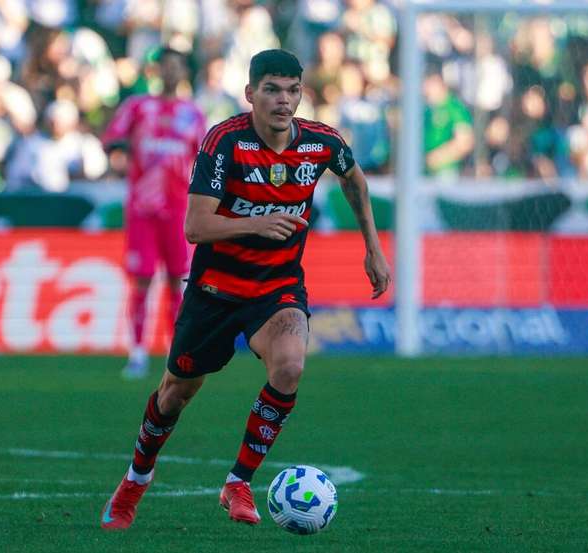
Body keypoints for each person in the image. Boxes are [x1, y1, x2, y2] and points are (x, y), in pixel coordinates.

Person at [99, 49, 391, 530]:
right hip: (215, 290)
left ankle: (238, 482)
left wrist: (373, 249)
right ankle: (136, 479)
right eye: (272, 90)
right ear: (251, 94)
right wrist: (257, 223)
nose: (283, 100)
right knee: (174, 395)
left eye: (292, 90)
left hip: (277, 287)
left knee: (291, 366)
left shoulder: (321, 142)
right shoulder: (225, 142)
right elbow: (195, 226)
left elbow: (354, 181)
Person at [101, 47, 207, 378]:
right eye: (165, 66)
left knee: (178, 281)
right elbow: (112, 140)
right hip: (142, 209)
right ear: (156, 71)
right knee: (142, 280)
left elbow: (204, 160)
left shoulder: (193, 114)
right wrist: (121, 154)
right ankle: (137, 353)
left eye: (176, 66)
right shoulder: (137, 107)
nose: (170, 72)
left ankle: (176, 354)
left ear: (184, 72)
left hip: (177, 210)